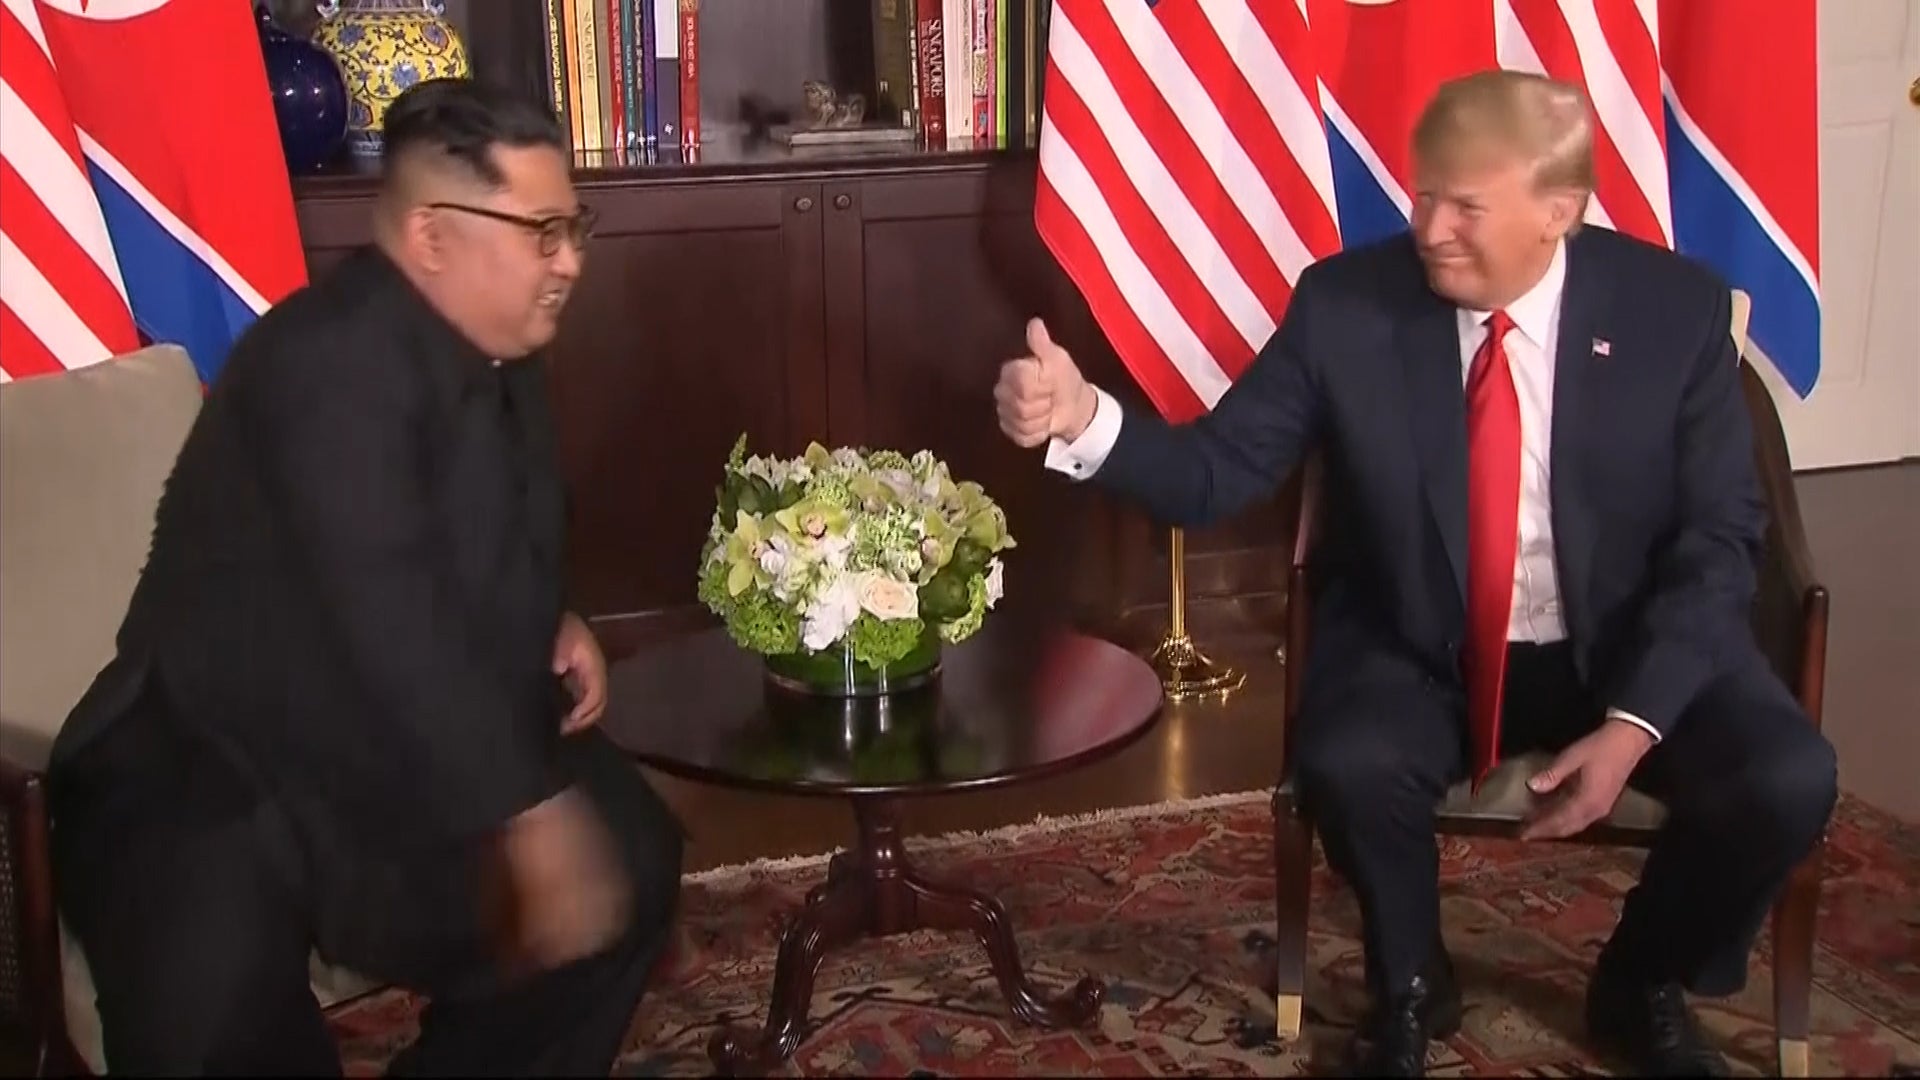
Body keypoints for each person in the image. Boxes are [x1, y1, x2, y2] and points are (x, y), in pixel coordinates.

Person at [995, 70, 1836, 1077]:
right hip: (1423, 639)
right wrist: (1083, 419)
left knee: (1788, 780)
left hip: (1626, 641)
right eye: (1423, 193)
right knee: (1349, 760)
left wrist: (1633, 726)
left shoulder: (1675, 312)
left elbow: (1718, 543)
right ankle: (1410, 982)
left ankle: (1642, 977)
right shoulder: (1346, 305)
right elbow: (1215, 473)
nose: (1431, 229)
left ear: (1559, 211)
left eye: (1466, 206)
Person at [47, 77, 684, 1075]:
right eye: (542, 233)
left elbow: (499, 528)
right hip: (205, 759)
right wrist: (522, 811)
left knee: (628, 861)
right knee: (214, 1017)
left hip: (382, 752)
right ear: (432, 235)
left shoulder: (505, 349)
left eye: (575, 228)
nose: (569, 261)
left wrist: (551, 618)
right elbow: (387, 608)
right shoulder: (323, 361)